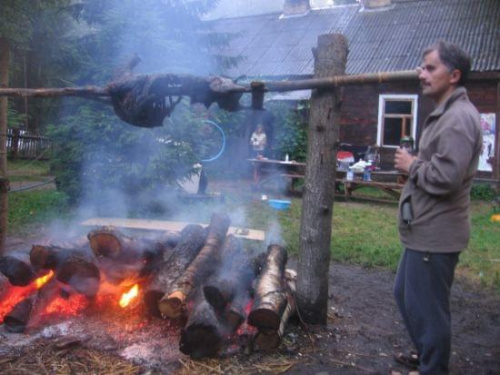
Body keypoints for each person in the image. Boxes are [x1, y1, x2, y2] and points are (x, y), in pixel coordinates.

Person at [393, 41, 482, 375]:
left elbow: (446, 179)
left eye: (430, 68)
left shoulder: (458, 118)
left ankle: (433, 368)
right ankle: (426, 355)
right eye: (422, 66)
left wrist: (411, 164)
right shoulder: (447, 113)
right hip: (424, 230)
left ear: (454, 75)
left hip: (436, 232)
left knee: (428, 310)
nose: (422, 73)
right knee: (405, 294)